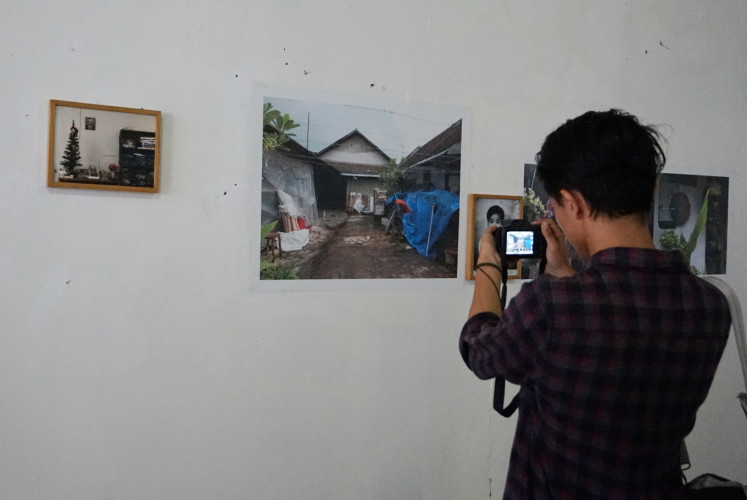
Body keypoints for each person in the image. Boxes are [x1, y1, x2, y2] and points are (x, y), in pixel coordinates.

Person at [459, 109, 732, 499]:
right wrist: (567, 274)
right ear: (651, 190)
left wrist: (488, 261)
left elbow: (479, 351)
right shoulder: (709, 306)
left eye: (556, 207)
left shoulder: (551, 307)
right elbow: (619, 330)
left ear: (574, 203)